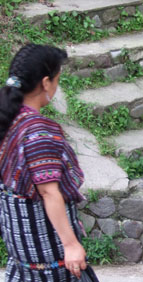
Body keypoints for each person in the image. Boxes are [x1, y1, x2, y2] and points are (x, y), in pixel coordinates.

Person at [0, 44, 89, 281]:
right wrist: (70, 244)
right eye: (58, 80)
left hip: (20, 243)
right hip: (45, 249)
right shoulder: (38, 131)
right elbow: (49, 191)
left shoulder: (9, 119)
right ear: (46, 82)